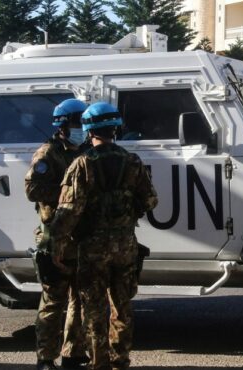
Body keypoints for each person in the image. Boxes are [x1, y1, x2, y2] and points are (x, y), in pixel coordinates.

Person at [49, 102, 158, 370]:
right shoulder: (132, 161)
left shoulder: (81, 165)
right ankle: (120, 360)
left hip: (92, 250)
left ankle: (99, 363)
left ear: (88, 131)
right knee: (122, 306)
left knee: (94, 309)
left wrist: (57, 246)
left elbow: (68, 212)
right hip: (125, 247)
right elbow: (151, 201)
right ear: (116, 129)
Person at [25, 98, 90, 370]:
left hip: (81, 237)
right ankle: (45, 358)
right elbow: (32, 190)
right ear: (64, 126)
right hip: (55, 238)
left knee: (81, 300)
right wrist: (68, 195)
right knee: (53, 301)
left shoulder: (86, 151)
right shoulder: (47, 154)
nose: (81, 130)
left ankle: (73, 353)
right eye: (77, 124)